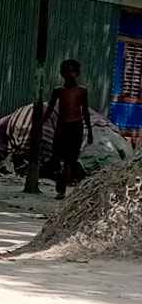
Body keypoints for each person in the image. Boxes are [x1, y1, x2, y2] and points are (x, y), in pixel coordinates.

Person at [43, 59, 94, 200]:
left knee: (70, 161)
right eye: (66, 71)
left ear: (77, 73)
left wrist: (89, 131)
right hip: (61, 128)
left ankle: (62, 190)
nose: (69, 74)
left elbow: (85, 112)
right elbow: (50, 109)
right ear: (62, 74)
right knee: (57, 159)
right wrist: (41, 123)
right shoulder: (58, 91)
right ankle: (61, 184)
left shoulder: (82, 91)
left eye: (72, 71)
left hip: (76, 128)